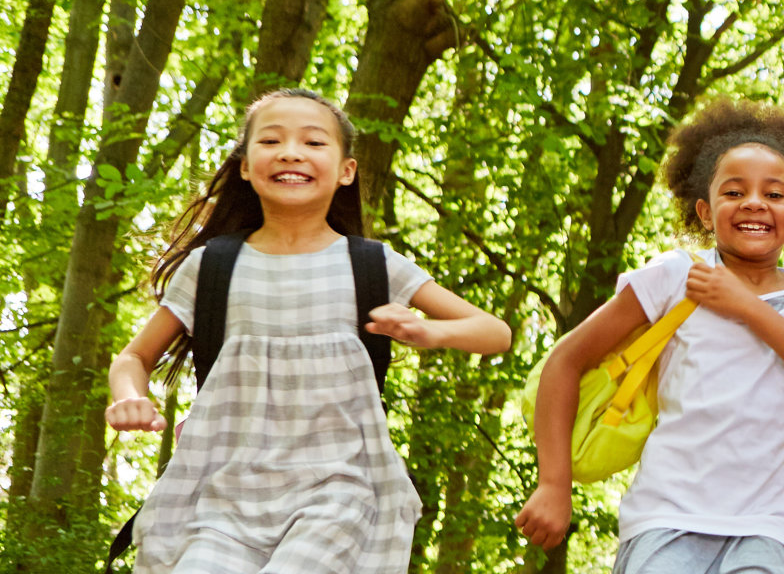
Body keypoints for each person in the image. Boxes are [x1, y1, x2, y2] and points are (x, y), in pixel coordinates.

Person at [104, 89, 512, 572]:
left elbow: (493, 332)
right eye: (271, 140)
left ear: (346, 170)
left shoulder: (373, 264)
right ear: (243, 166)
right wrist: (128, 394)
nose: (291, 152)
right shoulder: (212, 267)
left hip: (338, 493)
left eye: (314, 143)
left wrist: (431, 333)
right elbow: (134, 358)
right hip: (220, 495)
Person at [515, 98, 784, 574]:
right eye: (734, 192)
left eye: (774, 194)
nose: (754, 202)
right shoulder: (675, 275)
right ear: (704, 210)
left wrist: (744, 306)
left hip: (771, 529)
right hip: (666, 518)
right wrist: (554, 484)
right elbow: (565, 361)